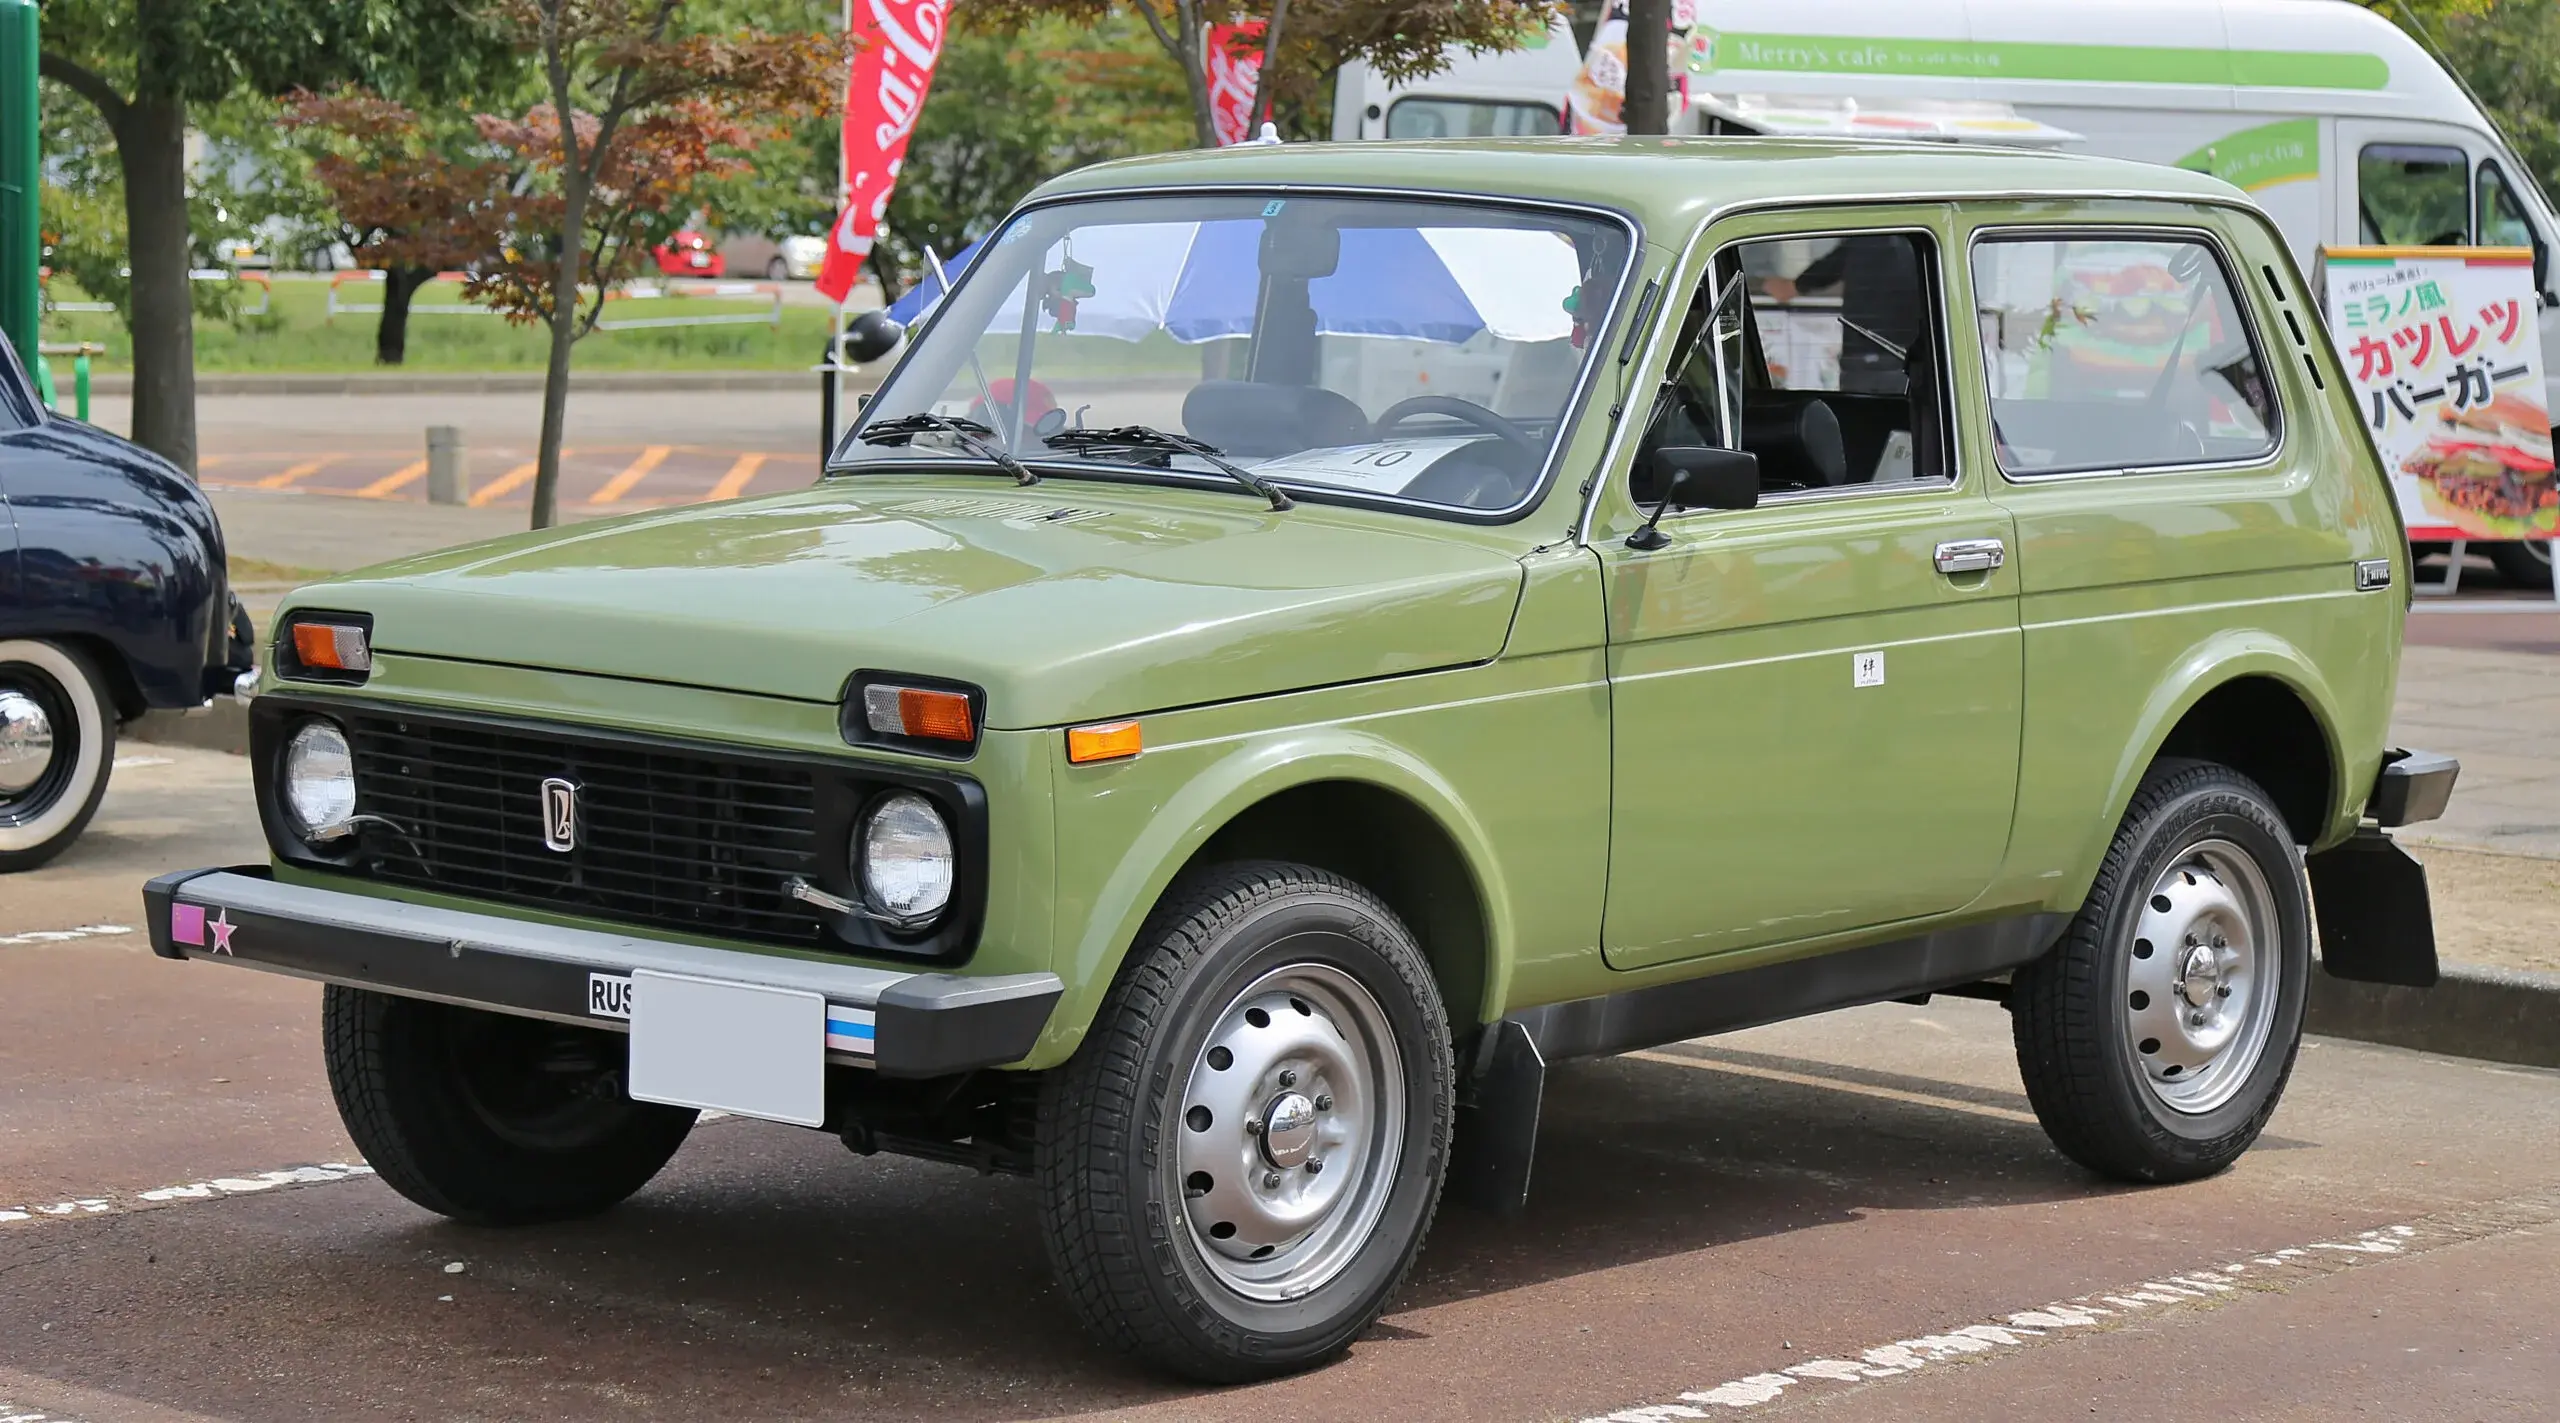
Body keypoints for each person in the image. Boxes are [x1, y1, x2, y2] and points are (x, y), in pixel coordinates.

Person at [1758, 235, 1928, 394]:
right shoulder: (1922, 244)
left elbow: (1824, 271)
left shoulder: (1862, 240)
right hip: (1904, 361)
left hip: (1861, 360)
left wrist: (1793, 286)